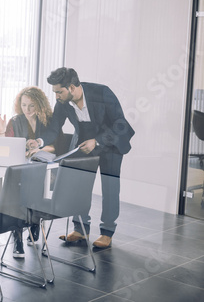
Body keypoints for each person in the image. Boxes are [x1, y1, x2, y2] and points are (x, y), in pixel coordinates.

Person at [36, 67, 134, 248]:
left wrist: (97, 141)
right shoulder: (63, 102)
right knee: (79, 187)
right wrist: (39, 141)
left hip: (110, 143)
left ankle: (107, 232)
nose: (56, 96)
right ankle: (81, 229)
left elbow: (120, 124)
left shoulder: (102, 92)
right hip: (83, 143)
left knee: (110, 188)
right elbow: (54, 128)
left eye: (59, 91)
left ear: (72, 87)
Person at [0, 86, 55, 258]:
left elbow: (55, 145)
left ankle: (34, 221)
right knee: (16, 191)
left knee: (35, 183)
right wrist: (2, 131)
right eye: (24, 105)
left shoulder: (46, 122)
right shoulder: (16, 121)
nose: (27, 110)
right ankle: (17, 235)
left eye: (31, 106)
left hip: (39, 167)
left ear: (40, 105)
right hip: (20, 169)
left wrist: (38, 148)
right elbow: (5, 148)